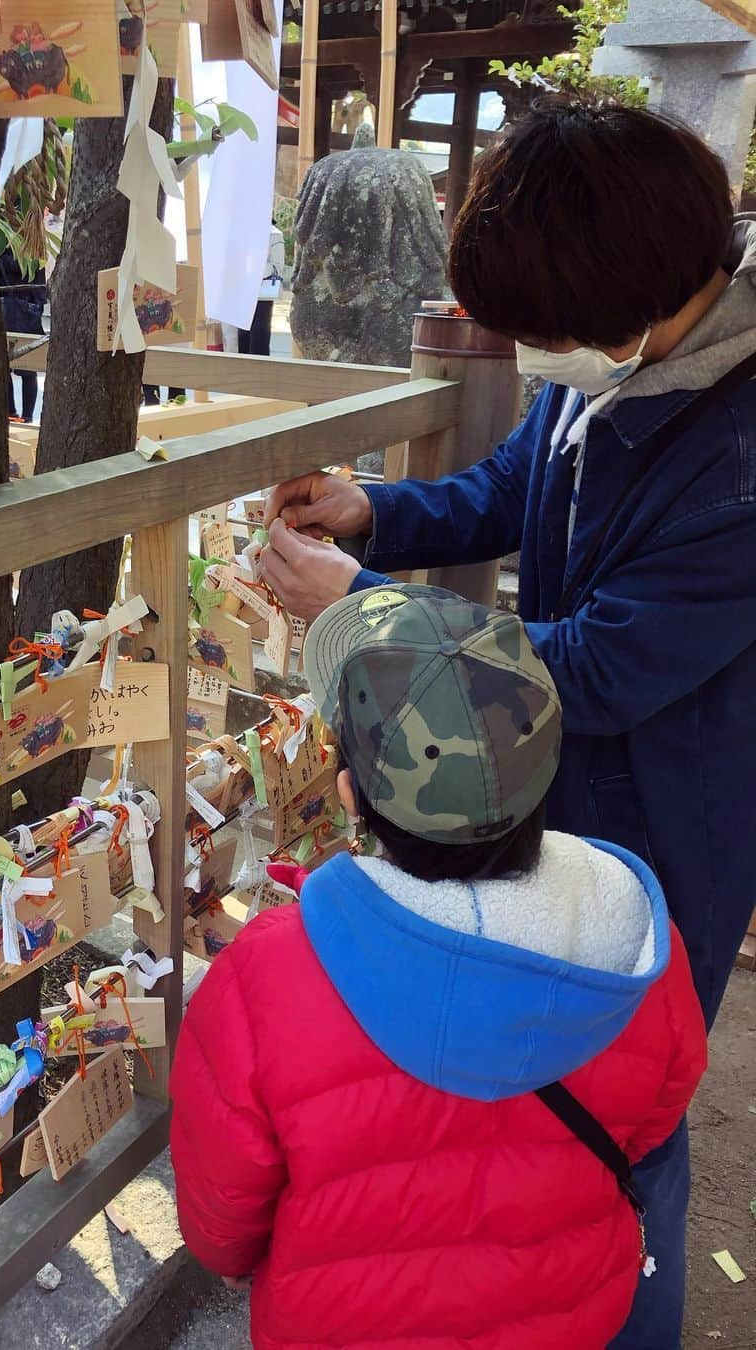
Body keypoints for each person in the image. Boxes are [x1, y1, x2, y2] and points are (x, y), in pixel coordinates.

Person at [259, 98, 755, 1348]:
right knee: (523, 1109)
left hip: (666, 824)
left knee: (622, 1118)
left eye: (540, 334)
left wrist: (365, 609)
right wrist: (378, 514)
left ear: (629, 304)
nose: (531, 359)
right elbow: (510, 486)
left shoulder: (740, 453)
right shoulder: (616, 361)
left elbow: (598, 671)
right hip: (552, 795)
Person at [170, 585, 706, 1350]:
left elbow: (224, 1208)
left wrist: (234, 1255)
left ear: (351, 794)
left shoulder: (267, 980)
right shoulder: (637, 941)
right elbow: (654, 1115)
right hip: (568, 1312)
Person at [0, 245, 44, 422]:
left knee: (7, 366)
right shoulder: (33, 245)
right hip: (27, 310)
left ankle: (14, 413)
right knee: (26, 369)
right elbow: (41, 287)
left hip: (7, 310)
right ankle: (24, 416)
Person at [236, 222, 286, 357]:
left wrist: (256, 266)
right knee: (242, 336)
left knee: (259, 336)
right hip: (244, 291)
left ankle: (259, 373)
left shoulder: (274, 234)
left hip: (262, 294)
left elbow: (278, 266)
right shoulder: (244, 231)